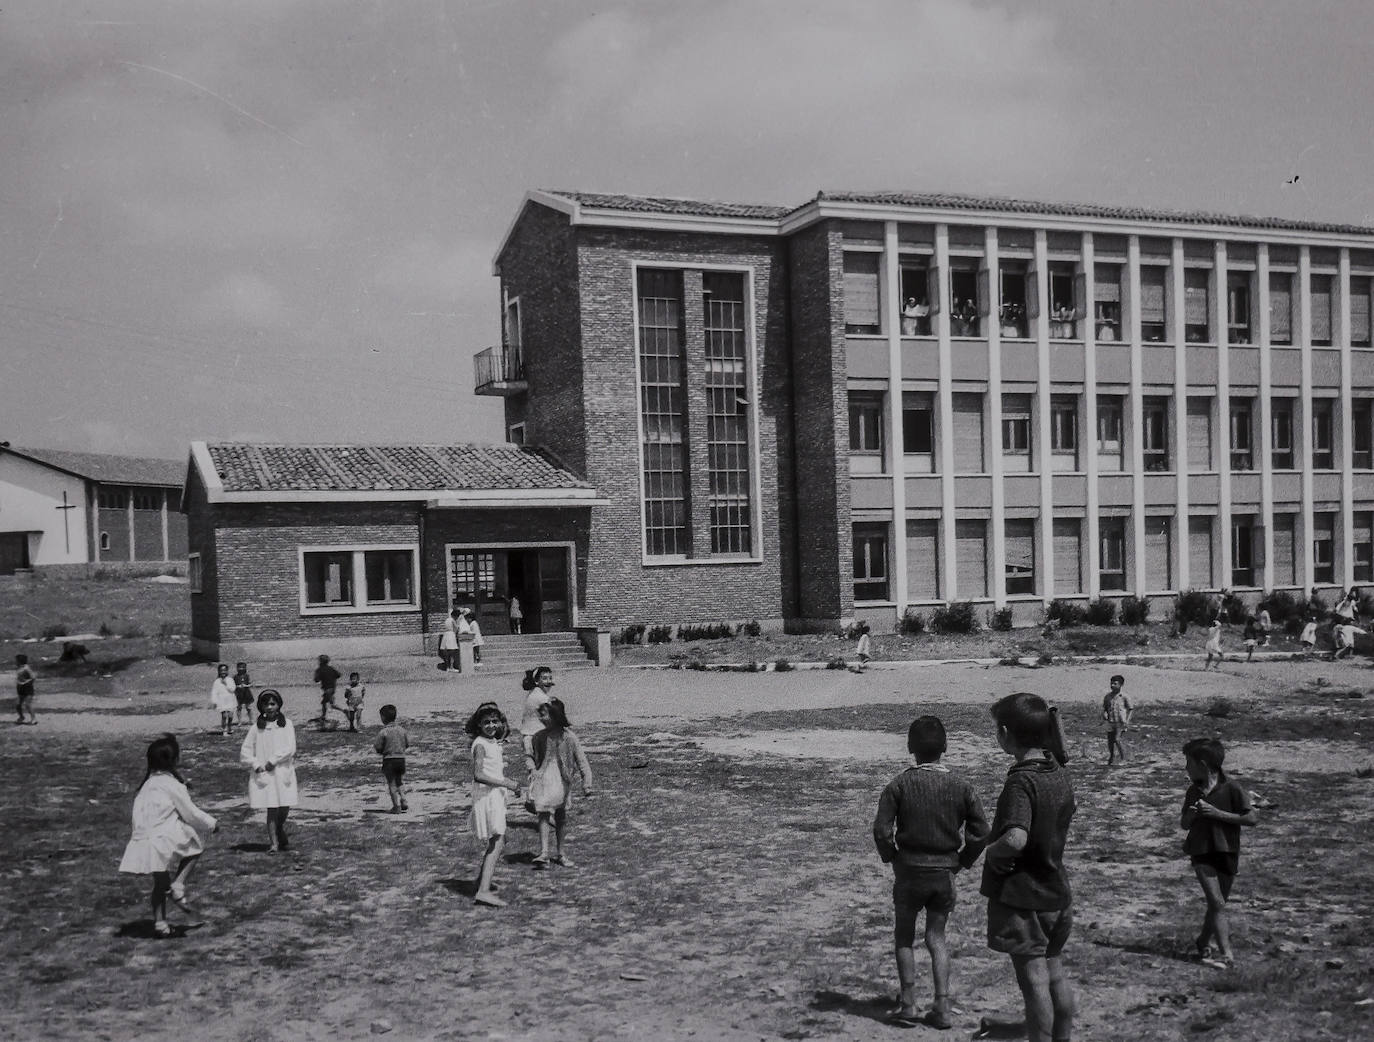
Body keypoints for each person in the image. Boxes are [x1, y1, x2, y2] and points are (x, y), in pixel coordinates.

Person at [872, 715, 989, 1029]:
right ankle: (942, 1005)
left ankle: (908, 1002)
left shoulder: (898, 785)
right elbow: (981, 831)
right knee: (937, 938)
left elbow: (882, 830)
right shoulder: (963, 787)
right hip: (943, 874)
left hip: (909, 873)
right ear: (946, 746)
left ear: (910, 747)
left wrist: (892, 857)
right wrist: (963, 861)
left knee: (904, 937)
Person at [980, 693, 1076, 1042]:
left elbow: (1015, 839)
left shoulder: (1020, 782)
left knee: (1034, 981)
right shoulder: (1058, 772)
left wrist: (991, 851)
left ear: (1005, 733)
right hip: (1056, 891)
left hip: (1024, 898)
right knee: (1055, 973)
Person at [118, 735, 217, 938]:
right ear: (174, 760)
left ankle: (160, 924)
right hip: (163, 836)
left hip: (144, 839)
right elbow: (191, 813)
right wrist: (212, 824)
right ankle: (178, 885)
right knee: (196, 843)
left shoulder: (146, 786)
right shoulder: (172, 785)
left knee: (160, 884)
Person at [1180, 738, 1258, 970]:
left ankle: (1203, 940)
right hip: (1201, 851)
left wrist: (1216, 813)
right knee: (1216, 902)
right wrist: (1191, 815)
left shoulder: (1232, 788)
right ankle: (1226, 954)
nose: (1186, 768)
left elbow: (1252, 818)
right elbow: (1184, 824)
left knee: (1218, 904)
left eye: (1189, 763)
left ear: (1203, 765)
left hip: (1227, 850)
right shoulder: (1193, 791)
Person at [528, 697, 594, 869]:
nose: (541, 718)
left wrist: (587, 783)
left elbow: (582, 761)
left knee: (560, 817)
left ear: (556, 715)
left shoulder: (569, 737)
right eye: (540, 715)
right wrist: (532, 770)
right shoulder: (538, 737)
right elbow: (531, 757)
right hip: (544, 781)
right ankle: (544, 853)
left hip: (562, 782)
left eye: (544, 714)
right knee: (543, 814)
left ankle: (561, 853)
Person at [466, 701, 521, 907]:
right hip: (487, 797)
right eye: (486, 722)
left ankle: (481, 881)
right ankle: (483, 891)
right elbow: (479, 775)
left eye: (494, 721)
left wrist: (507, 785)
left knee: (498, 839)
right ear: (478, 725)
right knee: (497, 841)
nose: (491, 725)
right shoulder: (480, 744)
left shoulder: (493, 742)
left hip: (494, 795)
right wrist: (507, 783)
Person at [240, 689, 298, 853]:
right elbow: (245, 751)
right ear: (261, 707)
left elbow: (290, 748)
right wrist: (255, 764)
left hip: (283, 771)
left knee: (284, 806)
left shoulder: (286, 724)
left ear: (279, 705)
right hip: (265, 773)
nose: (270, 707)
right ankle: (274, 844)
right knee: (271, 807)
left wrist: (274, 760)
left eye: (273, 704)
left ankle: (279, 827)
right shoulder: (256, 728)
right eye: (266, 704)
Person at [374, 704, 409, 813]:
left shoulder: (383, 732)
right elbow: (407, 744)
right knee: (399, 781)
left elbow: (378, 746)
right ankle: (403, 798)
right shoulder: (402, 730)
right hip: (401, 759)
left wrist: (381, 751)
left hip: (389, 760)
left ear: (383, 717)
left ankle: (396, 806)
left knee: (392, 783)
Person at [1101, 674, 1133, 766]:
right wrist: (1104, 714)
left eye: (1115, 684)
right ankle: (1111, 757)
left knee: (1117, 739)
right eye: (1111, 683)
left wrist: (1127, 721)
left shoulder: (1124, 696)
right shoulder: (1108, 696)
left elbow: (1130, 709)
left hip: (1120, 722)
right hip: (1110, 721)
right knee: (1110, 741)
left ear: (1121, 685)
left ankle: (1124, 758)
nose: (1112, 685)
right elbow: (1104, 708)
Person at [313, 654, 344, 729]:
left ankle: (344, 711)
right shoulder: (331, 668)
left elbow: (316, 680)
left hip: (327, 690)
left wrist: (318, 675)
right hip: (332, 688)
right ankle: (323, 716)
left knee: (329, 704)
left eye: (319, 661)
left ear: (320, 662)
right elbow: (339, 675)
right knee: (326, 703)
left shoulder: (319, 670)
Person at [209, 663, 237, 737]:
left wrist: (226, 684)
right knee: (224, 716)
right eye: (221, 670)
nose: (223, 672)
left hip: (230, 700)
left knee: (230, 716)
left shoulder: (230, 680)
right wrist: (214, 701)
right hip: (222, 701)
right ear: (219, 671)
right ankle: (224, 730)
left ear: (227, 671)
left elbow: (233, 689)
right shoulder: (217, 681)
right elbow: (214, 692)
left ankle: (229, 728)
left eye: (224, 670)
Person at [14, 653, 36, 725]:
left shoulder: (26, 668)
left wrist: (27, 683)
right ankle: (21, 717)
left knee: (27, 704)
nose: (15, 662)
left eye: (16, 660)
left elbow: (33, 677)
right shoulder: (18, 668)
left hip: (27, 688)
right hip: (20, 687)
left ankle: (33, 719)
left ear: (20, 661)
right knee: (18, 704)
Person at [233, 662, 254, 726]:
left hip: (247, 693)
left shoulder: (247, 676)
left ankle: (251, 720)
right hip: (239, 694)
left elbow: (251, 684)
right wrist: (238, 686)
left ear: (245, 668)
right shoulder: (235, 677)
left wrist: (246, 685)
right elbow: (233, 686)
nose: (241, 669)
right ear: (237, 668)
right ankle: (239, 721)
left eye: (243, 667)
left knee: (249, 708)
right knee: (239, 708)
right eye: (239, 667)